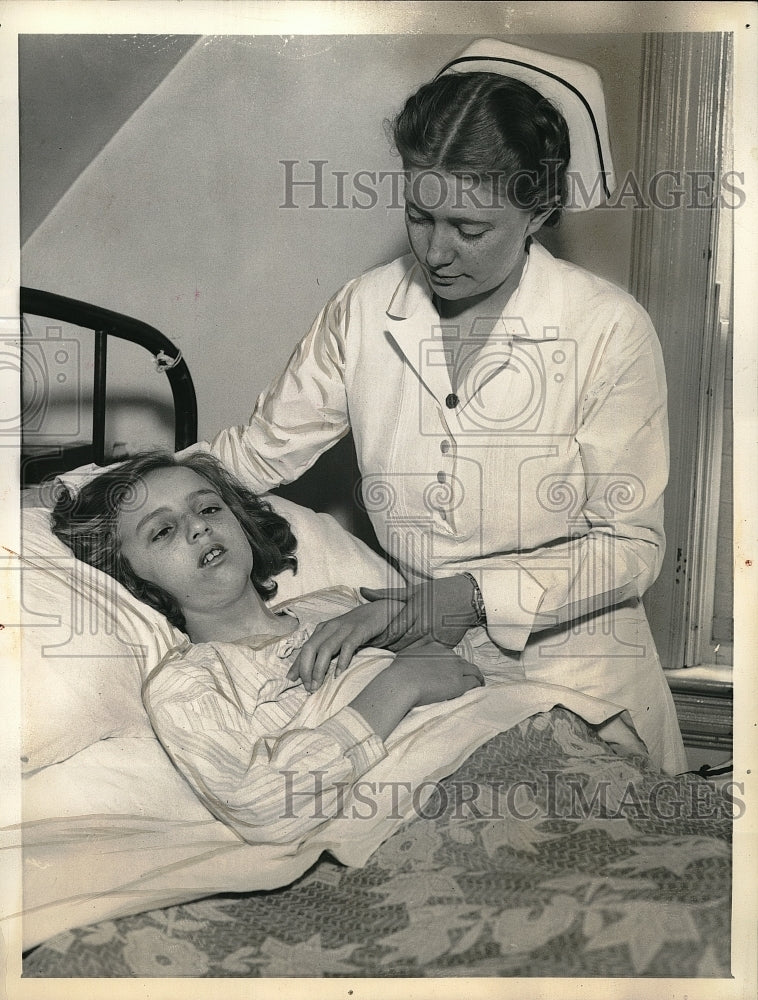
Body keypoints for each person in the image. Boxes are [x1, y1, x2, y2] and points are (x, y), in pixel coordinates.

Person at [209, 39, 687, 775]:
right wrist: (91, 487)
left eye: (470, 229)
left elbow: (631, 547)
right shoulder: (366, 309)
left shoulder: (606, 328)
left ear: (538, 211)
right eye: (421, 216)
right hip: (424, 669)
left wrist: (466, 597)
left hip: (579, 671)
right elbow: (255, 455)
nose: (436, 251)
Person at [50, 451, 485, 845]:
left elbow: (469, 666)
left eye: (208, 508)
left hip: (497, 735)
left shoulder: (339, 602)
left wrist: (391, 614)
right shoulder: (188, 683)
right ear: (129, 578)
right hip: (431, 808)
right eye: (163, 531)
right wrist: (398, 684)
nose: (198, 526)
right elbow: (262, 808)